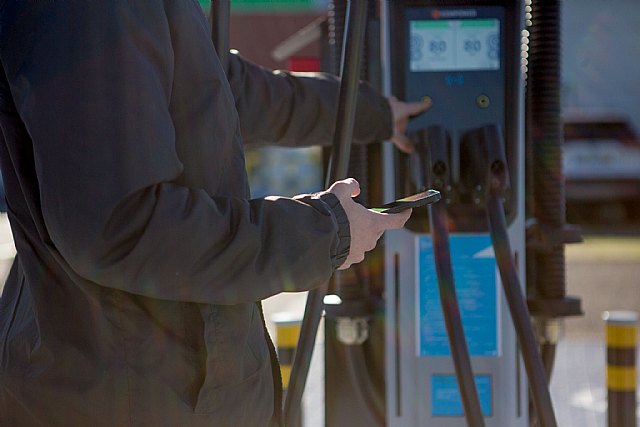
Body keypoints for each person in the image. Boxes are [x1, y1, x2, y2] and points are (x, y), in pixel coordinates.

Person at [0, 2, 429, 426]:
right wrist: (324, 232)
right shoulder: (92, 12)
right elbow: (121, 227)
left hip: (162, 386)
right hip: (130, 394)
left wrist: (373, 115)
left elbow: (213, 90)